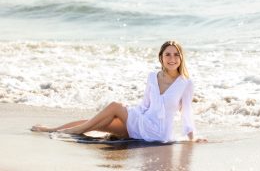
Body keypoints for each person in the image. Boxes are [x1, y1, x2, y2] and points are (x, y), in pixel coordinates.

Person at [31, 40, 207, 143]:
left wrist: (192, 138)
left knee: (115, 106)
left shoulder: (185, 83)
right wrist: (128, 113)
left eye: (176, 55)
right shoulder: (152, 76)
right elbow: (145, 105)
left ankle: (72, 132)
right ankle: (52, 129)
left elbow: (187, 114)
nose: (172, 59)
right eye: (168, 54)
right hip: (142, 123)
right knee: (95, 122)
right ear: (161, 57)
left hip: (159, 134)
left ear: (181, 58)